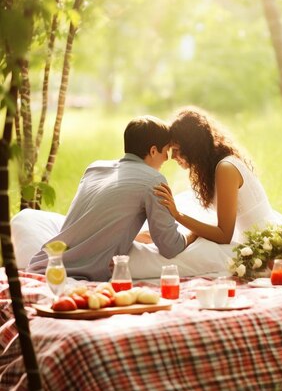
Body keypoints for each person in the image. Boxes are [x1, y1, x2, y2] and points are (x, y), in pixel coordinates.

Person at [154, 107, 282, 277]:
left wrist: (177, 215)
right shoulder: (213, 169)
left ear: (192, 145)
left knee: (191, 256)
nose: (172, 156)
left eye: (176, 149)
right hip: (246, 240)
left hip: (266, 247)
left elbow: (223, 235)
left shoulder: (225, 168)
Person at [27, 116, 195, 281]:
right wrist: (194, 233)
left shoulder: (95, 168)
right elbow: (170, 246)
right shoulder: (154, 180)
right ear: (153, 151)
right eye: (166, 151)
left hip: (43, 264)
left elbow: (97, 219)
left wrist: (130, 235)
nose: (167, 158)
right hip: (72, 276)